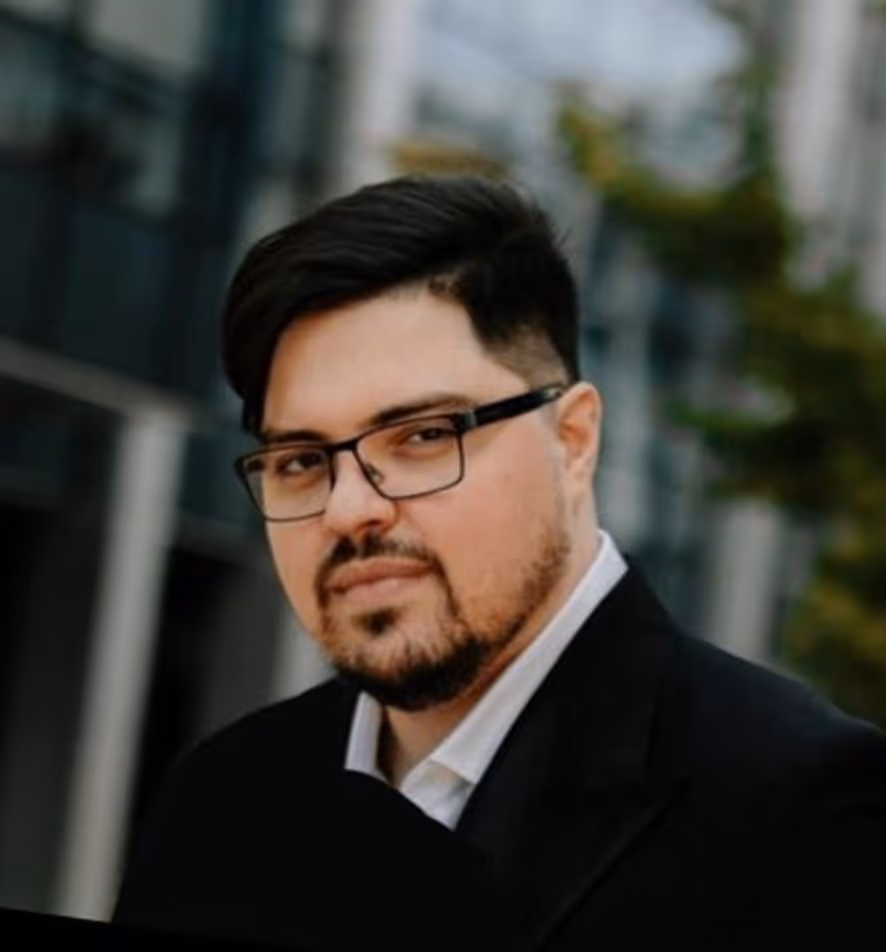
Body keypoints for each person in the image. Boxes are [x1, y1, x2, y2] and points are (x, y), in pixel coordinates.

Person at [114, 175, 886, 950]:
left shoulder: (804, 810)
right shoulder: (221, 794)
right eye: (302, 460)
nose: (348, 509)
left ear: (572, 441)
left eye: (422, 436)